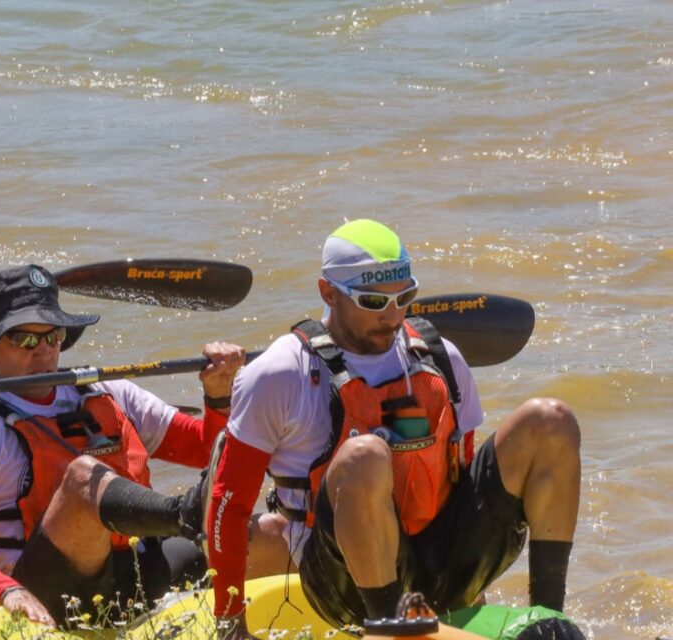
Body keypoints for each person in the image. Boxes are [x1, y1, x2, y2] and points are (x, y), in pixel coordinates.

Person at [200, 219, 580, 638]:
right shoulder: (279, 373)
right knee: (366, 455)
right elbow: (227, 503)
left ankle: (552, 618)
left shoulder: (441, 358)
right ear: (328, 292)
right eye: (373, 302)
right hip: (339, 583)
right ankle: (388, 632)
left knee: (551, 420)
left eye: (404, 297)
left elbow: (460, 474)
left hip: (439, 561)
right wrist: (229, 622)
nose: (393, 315)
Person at [0, 265, 247, 628]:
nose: (43, 352)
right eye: (25, 339)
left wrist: (218, 397)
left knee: (270, 535)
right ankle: (183, 515)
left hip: (131, 572)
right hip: (43, 588)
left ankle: (193, 521)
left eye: (53, 336)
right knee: (82, 476)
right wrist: (7, 591)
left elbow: (207, 451)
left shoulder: (109, 392)